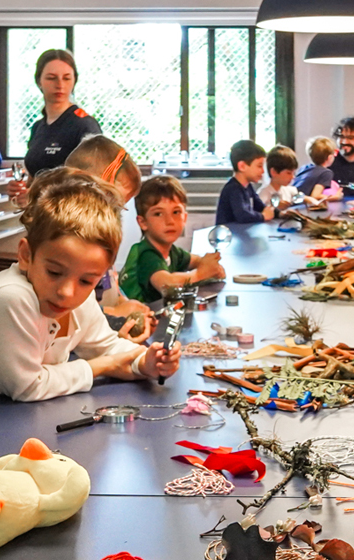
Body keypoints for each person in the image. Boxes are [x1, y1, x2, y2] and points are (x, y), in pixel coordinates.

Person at [0, 169, 181, 461]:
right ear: (26, 255)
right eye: (54, 272)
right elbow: (26, 385)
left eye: (86, 280)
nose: (67, 291)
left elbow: (107, 346)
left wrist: (145, 361)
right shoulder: (12, 297)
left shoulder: (81, 296)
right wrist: (101, 366)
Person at [62, 134, 154, 341]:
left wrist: (124, 302)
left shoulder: (98, 236)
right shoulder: (71, 242)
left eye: (119, 209)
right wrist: (115, 315)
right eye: (111, 205)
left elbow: (108, 283)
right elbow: (69, 315)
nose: (113, 216)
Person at [120, 176, 225, 304]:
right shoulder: (146, 254)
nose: (169, 221)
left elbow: (195, 260)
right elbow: (167, 285)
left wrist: (210, 265)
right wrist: (200, 274)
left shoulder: (172, 252)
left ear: (184, 218)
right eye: (158, 214)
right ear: (143, 222)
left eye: (176, 212)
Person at [21, 49, 102, 179]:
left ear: (74, 81)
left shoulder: (84, 126)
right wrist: (23, 190)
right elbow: (34, 176)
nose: (60, 85)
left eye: (66, 78)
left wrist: (38, 192)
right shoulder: (37, 127)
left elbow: (93, 182)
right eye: (51, 78)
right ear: (39, 81)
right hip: (38, 199)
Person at [215, 140, 275, 226]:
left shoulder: (248, 187)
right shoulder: (233, 189)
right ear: (242, 166)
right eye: (259, 166)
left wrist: (279, 213)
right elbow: (242, 215)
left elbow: (261, 207)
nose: (262, 171)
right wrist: (263, 216)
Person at [258, 146, 302, 210]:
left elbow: (302, 198)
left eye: (293, 173)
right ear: (274, 172)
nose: (293, 177)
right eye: (289, 173)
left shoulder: (290, 190)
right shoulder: (263, 194)